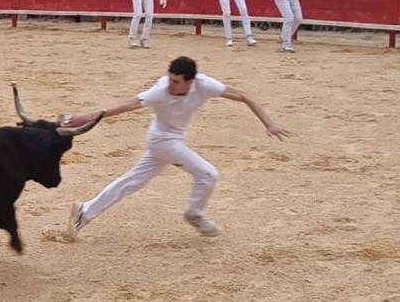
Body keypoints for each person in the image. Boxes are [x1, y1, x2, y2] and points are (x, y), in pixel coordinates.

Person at [63, 56, 290, 241]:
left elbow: (243, 94)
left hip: (171, 140)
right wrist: (87, 117)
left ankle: (85, 211)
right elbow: (128, 105)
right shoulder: (160, 90)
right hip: (162, 140)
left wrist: (269, 123)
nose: (171, 84)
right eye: (170, 79)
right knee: (208, 174)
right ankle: (194, 214)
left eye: (177, 81)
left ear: (191, 82)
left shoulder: (204, 85)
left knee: (132, 181)